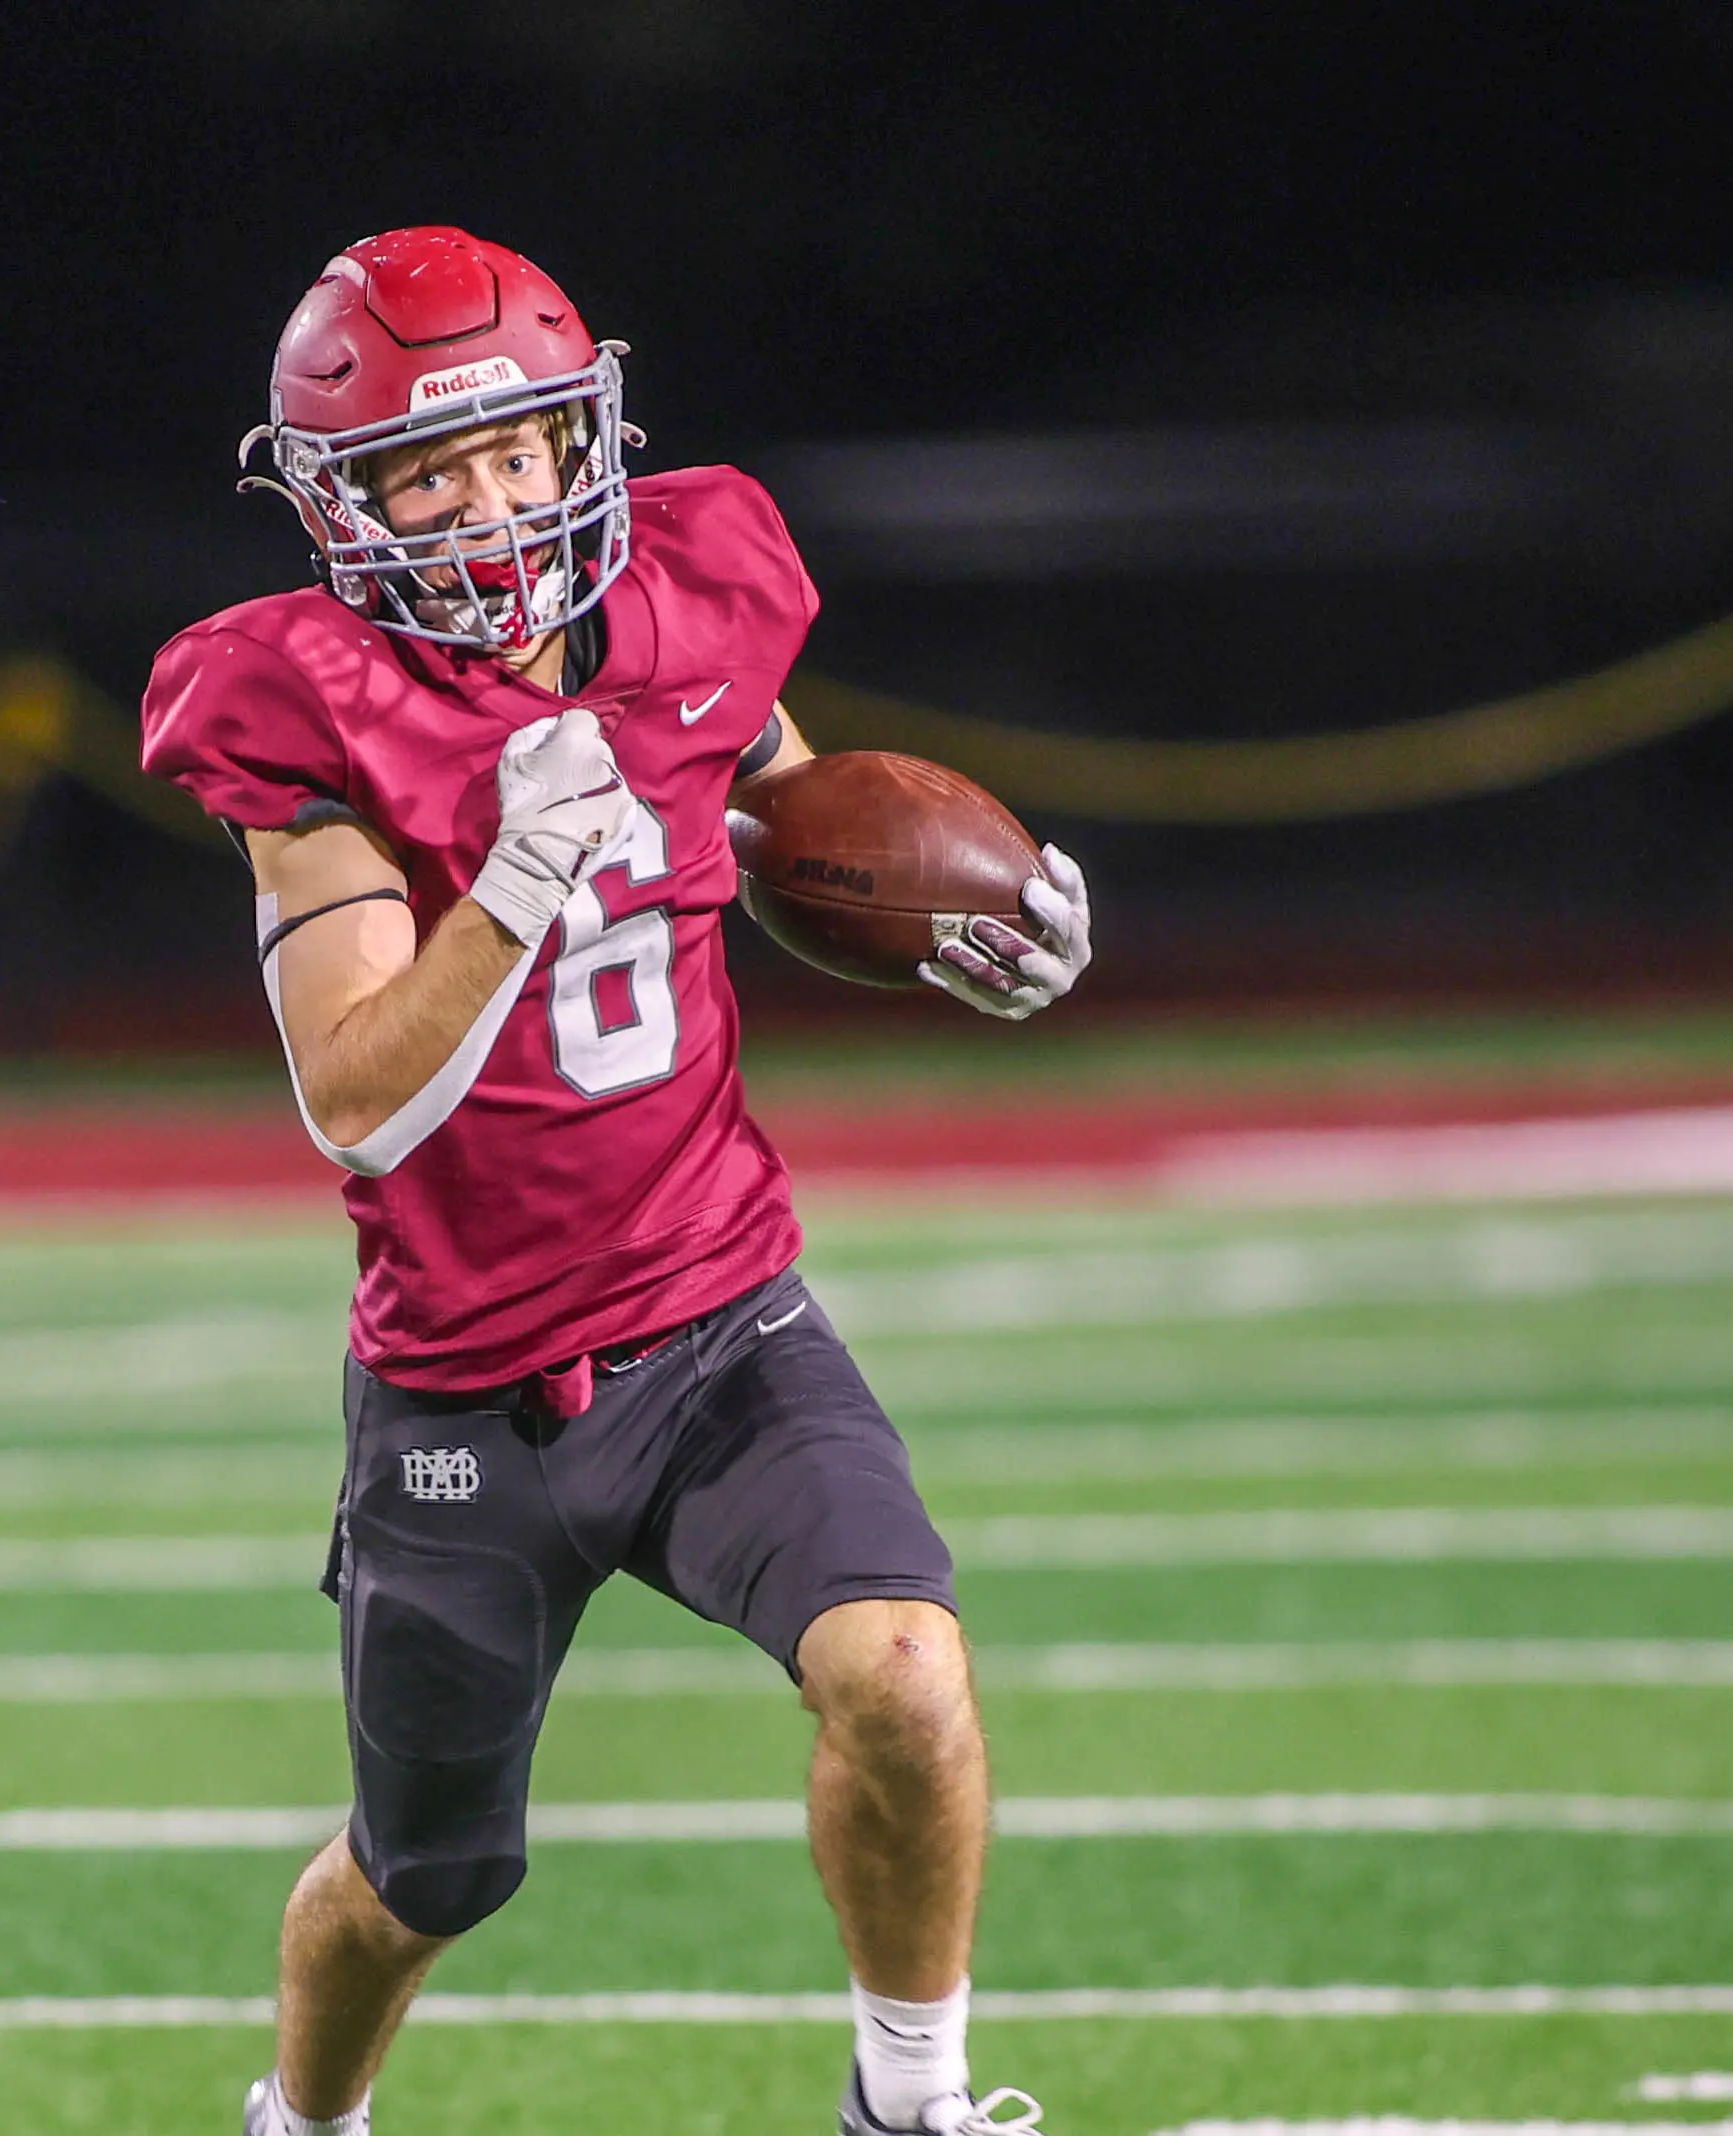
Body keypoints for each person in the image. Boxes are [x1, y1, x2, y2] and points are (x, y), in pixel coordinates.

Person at [136, 228, 1092, 2136]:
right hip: (463, 1391)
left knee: (902, 1677)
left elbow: (786, 833)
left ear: (589, 436)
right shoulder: (303, 708)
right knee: (421, 1882)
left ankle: (909, 2105)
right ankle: (303, 2123)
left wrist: (959, 933)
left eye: (515, 451)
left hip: (716, 1312)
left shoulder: (694, 583)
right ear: (343, 503)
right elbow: (351, 1097)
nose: (487, 506)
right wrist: (506, 887)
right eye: (427, 469)